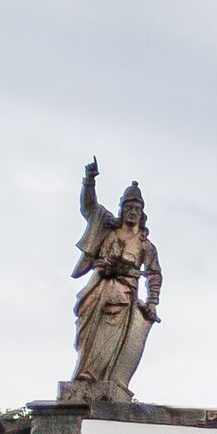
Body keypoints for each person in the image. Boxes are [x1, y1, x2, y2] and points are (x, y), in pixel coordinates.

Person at [59, 159, 163, 404]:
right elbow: (88, 207)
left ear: (142, 213)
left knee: (108, 342)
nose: (132, 211)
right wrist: (89, 180)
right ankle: (83, 377)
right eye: (128, 206)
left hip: (122, 299)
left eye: (137, 207)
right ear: (122, 209)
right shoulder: (107, 228)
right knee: (86, 339)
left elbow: (155, 273)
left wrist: (152, 301)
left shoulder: (145, 245)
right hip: (97, 289)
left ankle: (96, 378)